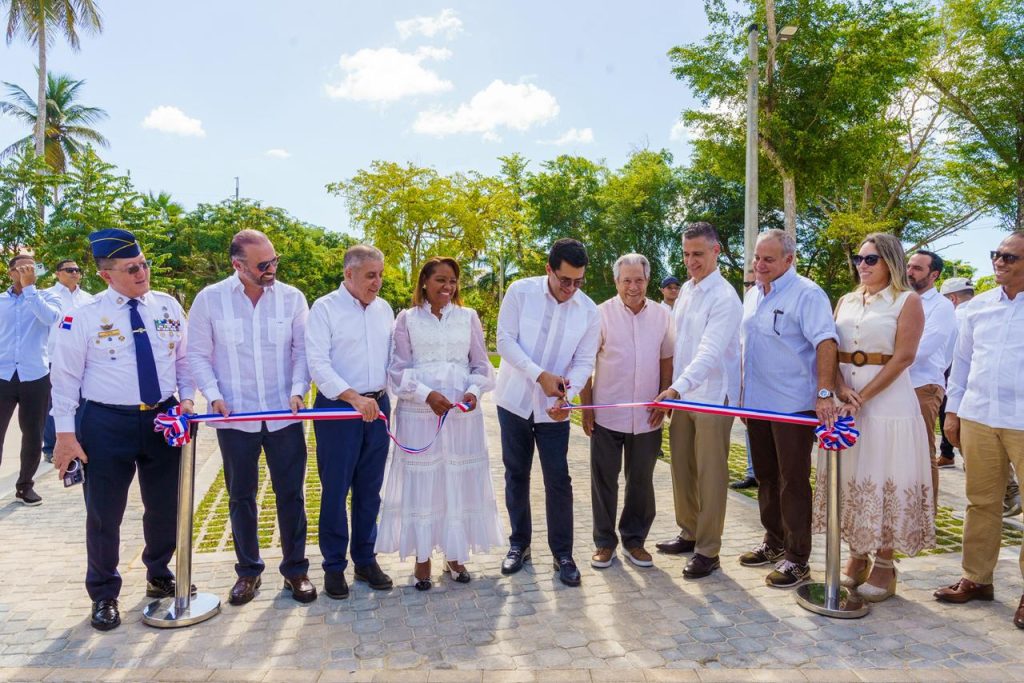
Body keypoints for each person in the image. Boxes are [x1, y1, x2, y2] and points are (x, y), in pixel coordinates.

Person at [51, 229, 195, 631]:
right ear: (106, 275)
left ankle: (159, 573)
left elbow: (183, 360)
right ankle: (103, 594)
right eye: (132, 268)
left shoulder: (167, 306)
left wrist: (186, 399)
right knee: (103, 513)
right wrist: (65, 435)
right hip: (105, 423)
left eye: (144, 264)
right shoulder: (83, 315)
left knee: (165, 505)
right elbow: (64, 378)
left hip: (163, 419)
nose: (142, 272)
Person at [188, 230, 315, 606]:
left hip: (284, 415)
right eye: (263, 265)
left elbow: (302, 352)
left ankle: (296, 570)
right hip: (235, 418)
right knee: (240, 496)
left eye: (275, 261)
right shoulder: (210, 299)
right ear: (237, 266)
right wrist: (213, 396)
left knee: (291, 495)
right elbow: (197, 354)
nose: (272, 269)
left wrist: (297, 389)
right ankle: (247, 573)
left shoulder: (292, 298)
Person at [815, 232, 935, 603]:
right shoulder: (847, 300)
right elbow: (829, 346)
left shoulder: (906, 301)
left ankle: (885, 563)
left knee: (884, 475)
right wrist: (837, 387)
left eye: (871, 260)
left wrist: (863, 397)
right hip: (846, 396)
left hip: (887, 403)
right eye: (859, 260)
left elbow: (904, 357)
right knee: (851, 474)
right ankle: (856, 554)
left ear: (890, 262)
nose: (862, 266)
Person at [376, 257, 503, 590]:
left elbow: (481, 365)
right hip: (420, 415)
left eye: (453, 282)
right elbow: (397, 370)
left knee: (457, 480)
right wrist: (425, 394)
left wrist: (474, 391)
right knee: (424, 483)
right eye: (440, 281)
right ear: (424, 283)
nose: (447, 288)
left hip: (462, 417)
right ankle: (422, 558)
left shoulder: (468, 317)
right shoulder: (405, 319)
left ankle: (454, 554)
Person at [735, 229, 838, 589]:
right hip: (757, 405)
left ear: (788, 260)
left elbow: (826, 342)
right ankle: (773, 541)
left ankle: (797, 558)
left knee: (792, 482)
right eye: (756, 258)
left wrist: (824, 393)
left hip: (793, 407)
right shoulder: (752, 295)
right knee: (765, 477)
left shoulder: (807, 294)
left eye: (768, 259)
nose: (759, 265)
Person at [495, 238, 600, 587]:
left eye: (578, 281)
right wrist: (539, 375)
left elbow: (585, 361)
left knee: (558, 479)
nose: (571, 289)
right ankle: (519, 545)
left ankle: (563, 554)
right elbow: (504, 341)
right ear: (548, 269)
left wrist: (566, 395)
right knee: (516, 474)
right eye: (564, 280)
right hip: (513, 401)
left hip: (554, 409)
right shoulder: (520, 292)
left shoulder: (588, 311)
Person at [934, 232, 1024, 628]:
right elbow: (962, 365)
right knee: (981, 501)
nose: (999, 262)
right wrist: (952, 414)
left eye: (1009, 256)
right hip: (979, 417)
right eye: (996, 254)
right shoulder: (978, 308)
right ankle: (977, 578)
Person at [653, 222, 742, 580]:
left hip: (711, 398)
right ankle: (689, 533)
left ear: (716, 251)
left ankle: (709, 550)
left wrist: (676, 388)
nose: (691, 262)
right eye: (687, 254)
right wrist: (674, 387)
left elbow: (708, 352)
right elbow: (678, 345)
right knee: (683, 470)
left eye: (698, 254)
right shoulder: (687, 291)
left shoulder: (725, 297)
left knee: (710, 475)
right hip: (684, 395)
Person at [306, 245, 395, 599]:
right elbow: (318, 363)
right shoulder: (324, 309)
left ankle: (365, 559)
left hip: (377, 408)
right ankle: (333, 566)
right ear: (349, 274)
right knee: (335, 491)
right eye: (370, 275)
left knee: (370, 490)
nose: (377, 282)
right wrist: (354, 398)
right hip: (339, 410)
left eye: (380, 275)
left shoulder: (385, 310)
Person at [580, 254, 673, 570]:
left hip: (648, 414)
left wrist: (664, 399)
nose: (633, 287)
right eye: (626, 280)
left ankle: (635, 541)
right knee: (604, 480)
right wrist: (587, 407)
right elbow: (585, 363)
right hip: (606, 414)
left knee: (641, 482)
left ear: (648, 280)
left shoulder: (662, 315)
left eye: (639, 280)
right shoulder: (600, 314)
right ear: (616, 282)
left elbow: (666, 359)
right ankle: (604, 543)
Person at [1, 254, 60, 505]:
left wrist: (30, 289)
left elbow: (51, 319)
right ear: (10, 272)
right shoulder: (1, 301)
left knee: (33, 433)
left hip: (35, 374)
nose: (27, 270)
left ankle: (25, 485)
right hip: (2, 375)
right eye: (21, 267)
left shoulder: (46, 297)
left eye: (32, 267)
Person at [906, 250, 957, 508]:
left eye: (917, 268)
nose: (909, 271)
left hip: (922, 386)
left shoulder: (942, 307)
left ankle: (926, 514)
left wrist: (884, 366)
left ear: (934, 274)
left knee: (922, 451)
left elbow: (920, 350)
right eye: (909, 266)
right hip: (894, 384)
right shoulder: (900, 299)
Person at [42, 259, 94, 463]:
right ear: (57, 273)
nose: (74, 273)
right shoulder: (46, 296)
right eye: (69, 270)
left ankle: (76, 440)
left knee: (81, 401)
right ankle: (49, 445)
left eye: (77, 270)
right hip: (53, 356)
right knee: (53, 403)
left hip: (82, 358)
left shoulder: (88, 299)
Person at [936, 277, 975, 469]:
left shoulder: (955, 316)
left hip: (955, 371)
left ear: (952, 299)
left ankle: (957, 455)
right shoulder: (984, 310)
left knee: (950, 414)